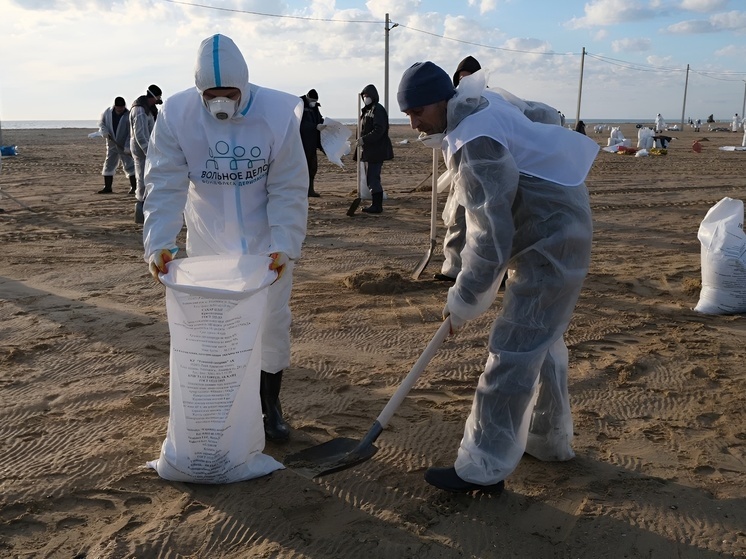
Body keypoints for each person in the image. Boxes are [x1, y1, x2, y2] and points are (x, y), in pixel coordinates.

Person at [397, 61, 598, 493]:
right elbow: (544, 116)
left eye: (417, 112)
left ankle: (483, 468)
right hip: (558, 232)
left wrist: (465, 297)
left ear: (441, 100)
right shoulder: (483, 104)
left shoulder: (476, 138)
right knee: (543, 345)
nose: (413, 123)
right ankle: (547, 439)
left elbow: (490, 233)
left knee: (512, 352)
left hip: (550, 244)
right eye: (407, 114)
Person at [142, 33, 308, 442]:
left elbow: (288, 185)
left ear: (245, 86)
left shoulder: (276, 114)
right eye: (211, 95)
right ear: (199, 91)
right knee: (214, 328)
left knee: (270, 323)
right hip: (208, 242)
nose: (221, 103)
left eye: (230, 93)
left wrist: (284, 242)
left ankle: (270, 407)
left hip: (266, 241)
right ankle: (228, 403)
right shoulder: (177, 115)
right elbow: (164, 181)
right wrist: (159, 241)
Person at [436, 55, 564, 283]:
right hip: (463, 171)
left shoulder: (491, 101)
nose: (465, 84)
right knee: (459, 220)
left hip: (494, 170)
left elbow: (533, 116)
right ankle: (454, 268)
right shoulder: (454, 105)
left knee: (493, 221)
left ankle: (496, 271)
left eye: (469, 78)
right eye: (461, 79)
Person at [354, 84, 394, 214]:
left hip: (377, 149)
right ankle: (375, 204)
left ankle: (377, 206)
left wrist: (364, 139)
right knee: (371, 177)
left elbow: (379, 129)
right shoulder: (366, 111)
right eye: (364, 96)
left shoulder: (378, 110)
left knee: (373, 177)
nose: (365, 98)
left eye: (367, 96)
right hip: (369, 150)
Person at [130, 84, 162, 223]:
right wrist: (147, 150)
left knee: (149, 175)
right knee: (142, 176)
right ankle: (141, 207)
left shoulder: (149, 109)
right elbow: (140, 134)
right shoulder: (140, 110)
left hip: (149, 148)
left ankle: (147, 205)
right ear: (153, 97)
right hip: (141, 149)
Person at [96, 96, 136, 194]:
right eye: (118, 108)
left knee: (130, 165)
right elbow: (102, 123)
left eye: (122, 107)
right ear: (115, 106)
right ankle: (107, 187)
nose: (120, 109)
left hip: (123, 144)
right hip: (112, 143)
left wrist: (127, 146)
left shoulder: (128, 115)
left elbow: (130, 133)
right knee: (109, 164)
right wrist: (104, 132)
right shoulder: (107, 112)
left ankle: (134, 187)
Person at [299, 89, 325, 197]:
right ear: (308, 97)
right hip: (301, 143)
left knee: (312, 167)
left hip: (312, 143)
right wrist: (314, 126)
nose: (314, 102)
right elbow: (299, 123)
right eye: (312, 100)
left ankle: (310, 190)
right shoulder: (299, 104)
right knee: (301, 168)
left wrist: (324, 124)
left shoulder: (314, 108)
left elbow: (319, 119)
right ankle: (301, 190)